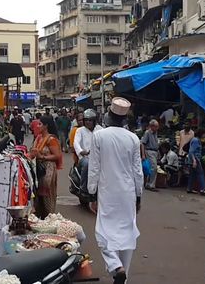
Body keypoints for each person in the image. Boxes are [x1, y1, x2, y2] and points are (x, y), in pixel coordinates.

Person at [88, 97, 143, 284]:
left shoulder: (99, 136)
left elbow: (94, 168)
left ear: (108, 116)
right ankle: (122, 277)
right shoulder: (133, 138)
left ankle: (115, 266)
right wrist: (138, 195)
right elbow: (138, 171)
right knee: (126, 235)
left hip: (107, 192)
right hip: (127, 193)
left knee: (102, 232)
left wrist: (91, 193)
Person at [30, 116, 63, 218]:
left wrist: (42, 157)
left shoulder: (51, 139)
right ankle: (40, 220)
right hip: (39, 169)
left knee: (47, 196)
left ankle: (49, 218)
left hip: (48, 169)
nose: (37, 126)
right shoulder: (39, 138)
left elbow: (57, 155)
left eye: (40, 124)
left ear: (46, 126)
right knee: (38, 195)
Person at [75, 109, 103, 194]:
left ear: (94, 121)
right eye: (86, 120)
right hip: (85, 157)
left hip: (99, 157)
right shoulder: (80, 130)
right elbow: (76, 143)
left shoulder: (101, 130)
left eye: (90, 120)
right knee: (87, 163)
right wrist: (82, 151)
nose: (88, 122)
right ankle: (83, 188)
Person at [187, 128, 205, 195]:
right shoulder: (196, 140)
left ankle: (190, 188)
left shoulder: (196, 140)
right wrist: (194, 160)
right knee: (200, 174)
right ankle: (203, 188)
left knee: (192, 175)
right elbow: (191, 151)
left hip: (192, 159)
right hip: (195, 159)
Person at [141, 119, 160, 191]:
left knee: (152, 168)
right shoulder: (147, 133)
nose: (157, 128)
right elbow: (143, 143)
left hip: (155, 151)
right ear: (152, 126)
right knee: (153, 167)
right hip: (149, 151)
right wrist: (143, 154)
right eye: (156, 126)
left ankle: (149, 183)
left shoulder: (155, 133)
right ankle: (151, 185)